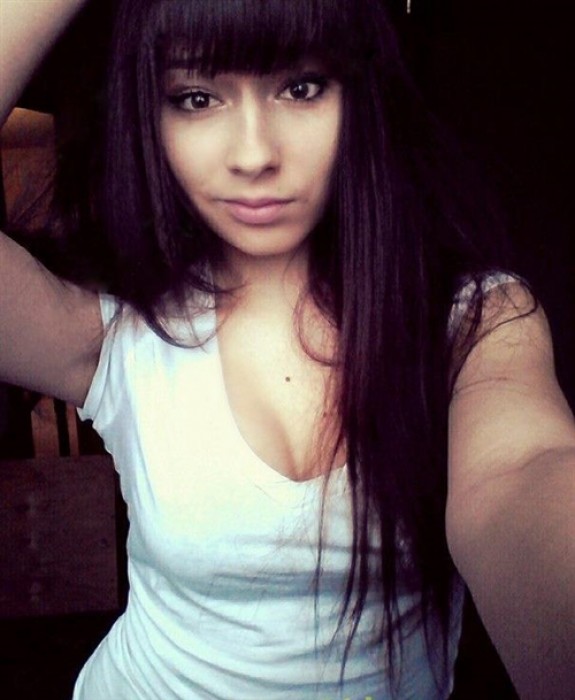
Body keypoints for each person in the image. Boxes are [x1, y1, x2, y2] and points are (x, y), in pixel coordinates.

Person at [0, 1, 573, 698]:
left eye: (301, 87)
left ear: (362, 93)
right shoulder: (117, 336)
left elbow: (523, 472)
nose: (254, 155)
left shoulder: (475, 323)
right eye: (196, 98)